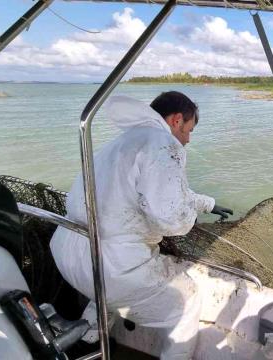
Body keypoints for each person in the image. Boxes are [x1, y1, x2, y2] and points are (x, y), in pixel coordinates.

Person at [50, 92, 232, 359]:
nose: (188, 139)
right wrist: (191, 217)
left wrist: (207, 203)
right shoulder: (163, 144)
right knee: (188, 300)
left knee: (112, 282)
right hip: (110, 271)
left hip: (71, 255)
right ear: (177, 120)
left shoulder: (123, 143)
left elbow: (152, 191)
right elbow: (170, 217)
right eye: (189, 130)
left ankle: (88, 339)